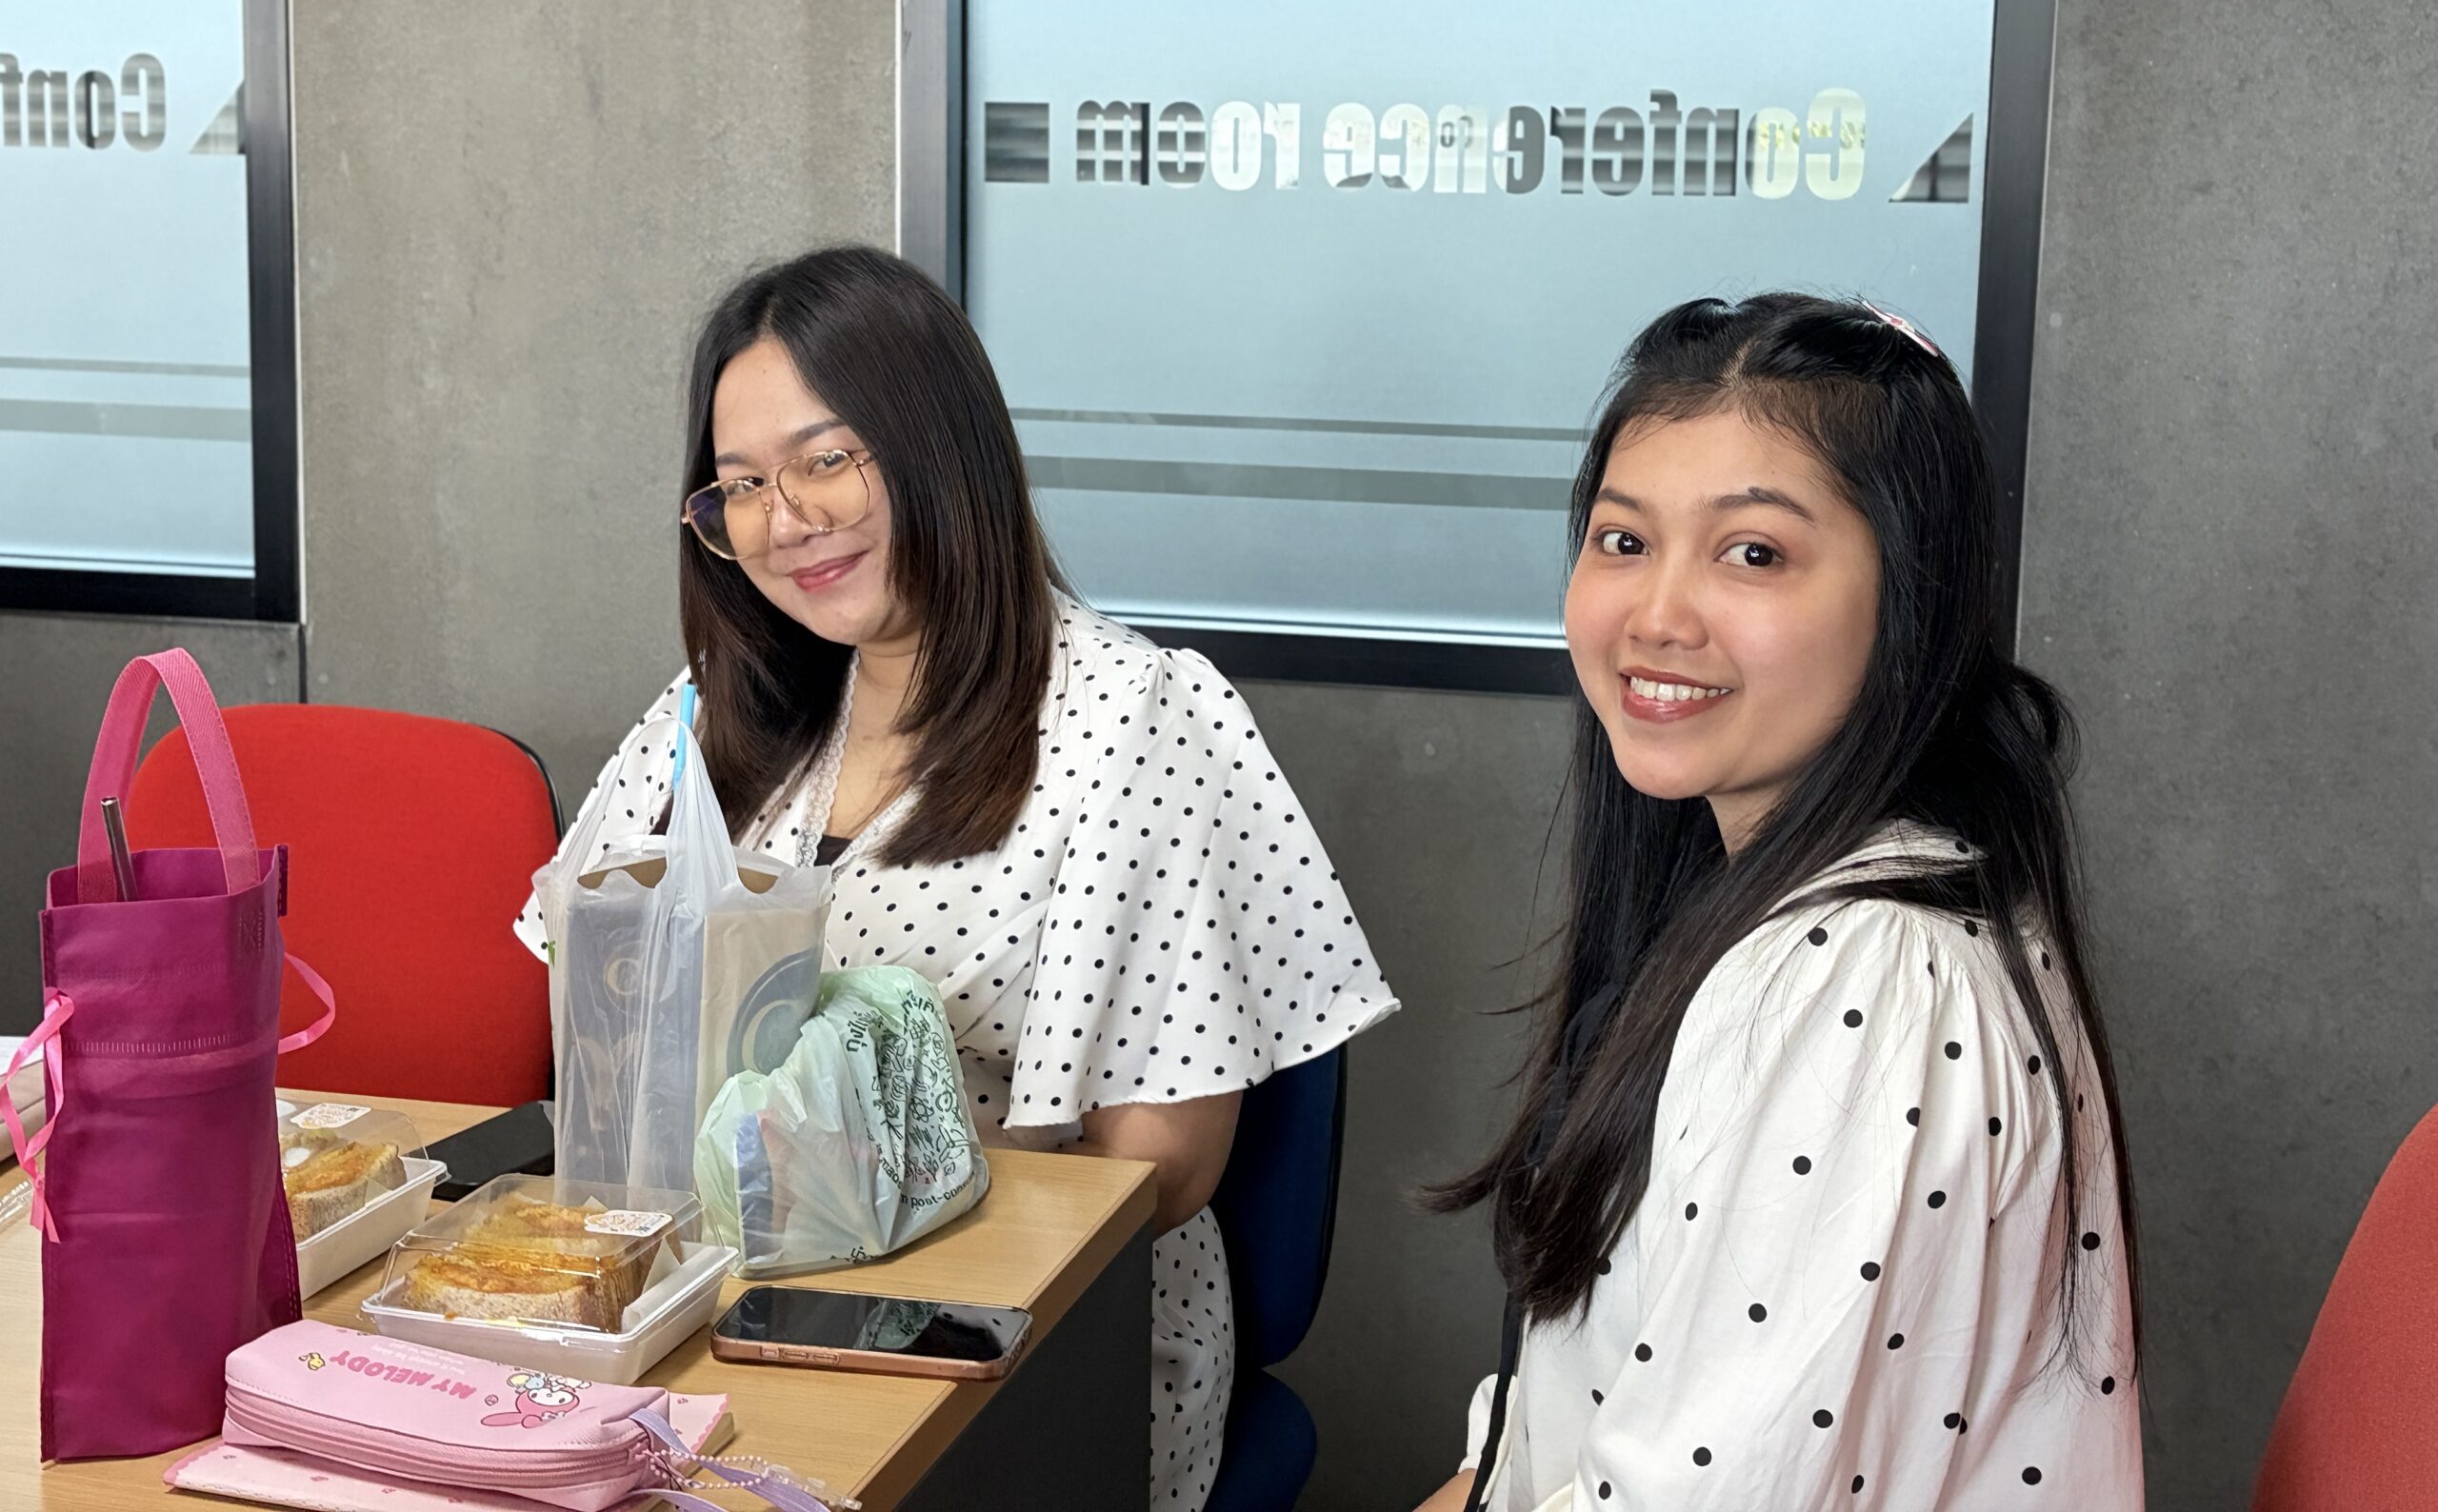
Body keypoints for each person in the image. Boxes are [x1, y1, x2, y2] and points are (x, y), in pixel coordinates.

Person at [513, 245, 1399, 1509]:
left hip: (1006, 1337)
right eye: (742, 485)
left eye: (827, 459)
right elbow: (587, 1011)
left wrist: (844, 1206)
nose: (786, 519)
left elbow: (1163, 1170)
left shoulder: (1133, 717)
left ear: (941, 446)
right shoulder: (717, 714)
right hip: (701, 1305)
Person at [1413, 294, 2141, 1511]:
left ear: (1908, 602)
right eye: (1622, 540)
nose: (1656, 616)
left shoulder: (1867, 983)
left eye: (1752, 554)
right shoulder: (1774, 901)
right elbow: (1557, 1431)